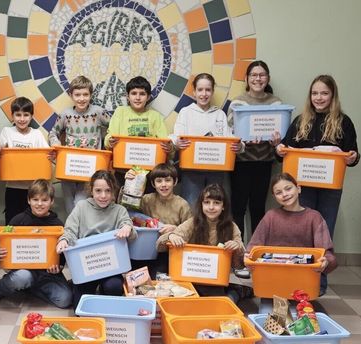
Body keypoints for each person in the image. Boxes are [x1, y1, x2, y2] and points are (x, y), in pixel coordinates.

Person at [275, 75, 359, 294]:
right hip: (303, 188)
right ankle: (297, 281)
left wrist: (352, 157)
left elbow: (353, 155)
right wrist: (279, 149)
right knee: (301, 232)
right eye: (314, 93)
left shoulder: (343, 122)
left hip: (330, 189)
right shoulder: (301, 120)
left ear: (332, 95)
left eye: (324, 93)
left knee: (324, 234)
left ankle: (318, 284)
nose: (319, 98)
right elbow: (284, 151)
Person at [227, 60, 283, 279]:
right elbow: (230, 129)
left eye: (262, 75)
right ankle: (239, 256)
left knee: (259, 209)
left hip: (264, 162)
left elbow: (282, 132)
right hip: (241, 162)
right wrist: (241, 139)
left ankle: (257, 256)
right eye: (253, 75)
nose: (258, 79)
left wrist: (277, 140)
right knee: (238, 209)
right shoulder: (238, 102)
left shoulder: (276, 102)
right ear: (247, 79)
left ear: (267, 78)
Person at [246, 173, 337, 295]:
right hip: (272, 281)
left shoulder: (314, 217)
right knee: (267, 312)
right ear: (274, 197)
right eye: (279, 192)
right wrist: (247, 257)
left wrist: (325, 261)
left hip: (303, 282)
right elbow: (253, 248)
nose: (284, 194)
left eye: (288, 188)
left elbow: (328, 254)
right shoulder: (271, 217)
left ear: (298, 188)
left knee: (302, 313)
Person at [56, 170, 137, 306]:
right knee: (79, 308)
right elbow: (70, 230)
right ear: (91, 190)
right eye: (98, 190)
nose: (103, 196)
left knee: (114, 287)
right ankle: (84, 288)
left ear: (114, 192)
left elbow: (130, 230)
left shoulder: (119, 210)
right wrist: (64, 240)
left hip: (111, 267)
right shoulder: (81, 207)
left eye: (108, 191)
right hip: (87, 266)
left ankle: (104, 291)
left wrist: (127, 228)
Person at [0, 179, 72, 308]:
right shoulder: (18, 220)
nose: (39, 204)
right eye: (35, 199)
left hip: (48, 275)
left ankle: (29, 288)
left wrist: (58, 267)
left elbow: (61, 255)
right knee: (22, 277)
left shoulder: (58, 224)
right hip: (25, 271)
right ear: (28, 200)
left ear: (52, 201)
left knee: (65, 299)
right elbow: (1, 246)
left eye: (44, 200)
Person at [156, 184, 247, 303]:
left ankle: (237, 292)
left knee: (217, 306)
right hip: (188, 279)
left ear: (223, 206)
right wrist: (171, 236)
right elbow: (159, 245)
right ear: (201, 204)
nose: (211, 207)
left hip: (215, 282)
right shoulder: (193, 223)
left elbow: (240, 265)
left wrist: (237, 248)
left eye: (216, 203)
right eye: (207, 202)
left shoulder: (232, 227)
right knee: (182, 303)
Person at [173, 73, 242, 204]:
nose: (204, 94)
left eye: (208, 90)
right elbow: (177, 137)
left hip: (216, 171)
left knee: (214, 207)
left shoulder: (220, 114)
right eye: (200, 90)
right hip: (191, 171)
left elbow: (229, 139)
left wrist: (240, 146)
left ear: (212, 91)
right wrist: (177, 142)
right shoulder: (185, 112)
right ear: (194, 92)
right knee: (191, 206)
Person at [48, 75, 111, 214]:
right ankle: (74, 234)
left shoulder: (98, 112)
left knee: (80, 203)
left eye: (85, 94)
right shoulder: (66, 114)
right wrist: (57, 145)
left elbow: (113, 128)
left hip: (90, 169)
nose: (81, 98)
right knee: (70, 205)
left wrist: (109, 142)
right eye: (77, 95)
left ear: (91, 95)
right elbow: (53, 133)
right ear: (71, 95)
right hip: (68, 169)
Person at [104, 76, 172, 187]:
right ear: (127, 96)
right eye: (134, 93)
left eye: (142, 94)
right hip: (123, 172)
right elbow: (109, 137)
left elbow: (165, 142)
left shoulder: (155, 116)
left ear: (148, 97)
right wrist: (110, 141)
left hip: (149, 173)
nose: (138, 97)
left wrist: (169, 148)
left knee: (148, 203)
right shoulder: (120, 112)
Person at [125, 163, 191, 276]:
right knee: (133, 275)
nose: (163, 185)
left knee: (158, 276)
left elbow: (190, 230)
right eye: (159, 181)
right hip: (144, 249)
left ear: (175, 182)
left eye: (168, 180)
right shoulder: (147, 199)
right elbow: (125, 206)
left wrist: (176, 229)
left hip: (167, 252)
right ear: (153, 183)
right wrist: (129, 183)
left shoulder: (182, 204)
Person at [0, 97, 51, 223]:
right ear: (12, 116)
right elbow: (0, 149)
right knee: (11, 221)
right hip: (13, 187)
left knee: (32, 222)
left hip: (33, 189)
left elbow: (46, 154)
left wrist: (52, 156)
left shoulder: (36, 134)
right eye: (18, 115)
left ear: (31, 116)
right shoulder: (7, 132)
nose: (22, 119)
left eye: (26, 115)